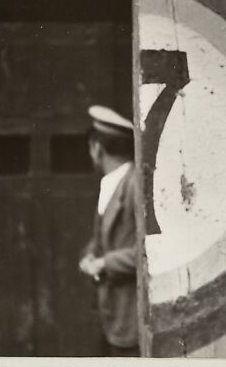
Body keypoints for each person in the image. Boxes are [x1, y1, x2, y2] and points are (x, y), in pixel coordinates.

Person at [79, 105, 139, 356]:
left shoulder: (135, 184)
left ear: (97, 148)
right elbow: (103, 239)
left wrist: (104, 263)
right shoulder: (112, 182)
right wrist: (90, 255)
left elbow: (149, 252)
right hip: (111, 312)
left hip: (131, 316)